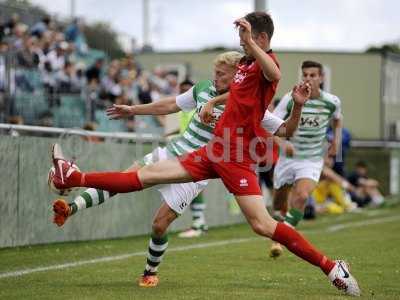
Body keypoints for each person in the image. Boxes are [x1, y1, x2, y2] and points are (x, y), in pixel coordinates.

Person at [49, 12, 360, 296]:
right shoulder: (244, 67)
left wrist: (297, 102)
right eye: (241, 41)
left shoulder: (266, 66)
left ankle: (332, 267)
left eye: (247, 40)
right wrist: (213, 101)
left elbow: (274, 75)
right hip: (213, 151)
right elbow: (231, 93)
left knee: (262, 225)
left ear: (261, 39)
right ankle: (73, 176)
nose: (242, 46)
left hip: (237, 158)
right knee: (143, 176)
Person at [51, 51, 243, 286]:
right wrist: (133, 110)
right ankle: (70, 208)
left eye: (221, 74)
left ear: (237, 75)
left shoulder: (245, 101)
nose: (215, 76)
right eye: (215, 71)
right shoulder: (203, 88)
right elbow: (171, 104)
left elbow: (276, 127)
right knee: (123, 179)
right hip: (170, 153)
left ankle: (150, 271)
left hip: (195, 171)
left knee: (159, 224)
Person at [268, 60, 343, 258]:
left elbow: (337, 119)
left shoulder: (332, 101)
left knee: (301, 196)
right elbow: (271, 126)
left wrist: (336, 142)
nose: (308, 79)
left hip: (311, 159)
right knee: (278, 204)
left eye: (313, 75)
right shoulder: (290, 99)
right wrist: (283, 144)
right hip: (287, 159)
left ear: (321, 78)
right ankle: (282, 229)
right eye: (305, 75)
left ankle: (279, 239)